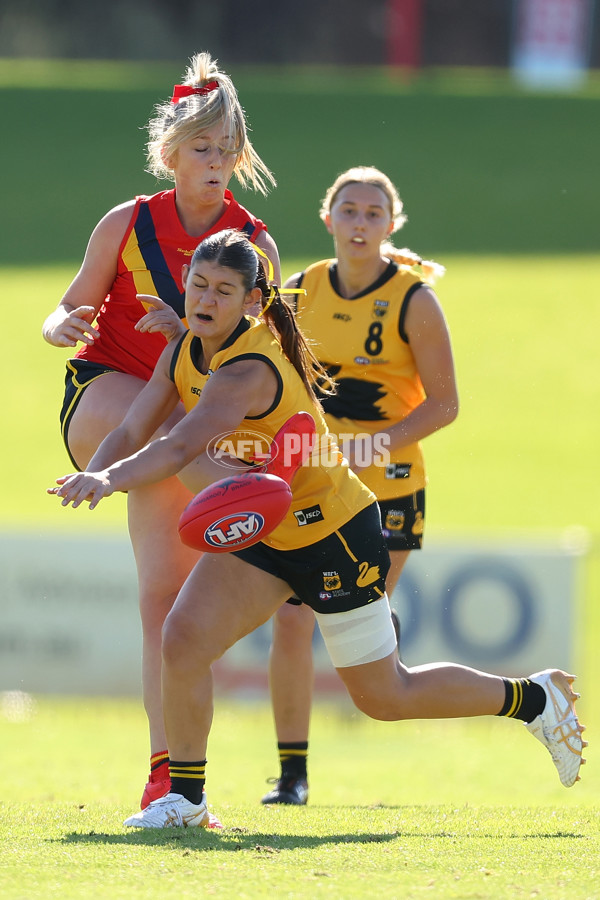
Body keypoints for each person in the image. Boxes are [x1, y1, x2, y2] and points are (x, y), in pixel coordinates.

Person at [50, 229, 585, 831]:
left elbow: (177, 446)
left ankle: (534, 699)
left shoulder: (245, 370)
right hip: (266, 528)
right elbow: (132, 427)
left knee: (385, 696)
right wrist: (94, 473)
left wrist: (111, 479)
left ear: (252, 301)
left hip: (334, 531)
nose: (206, 298)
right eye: (198, 284)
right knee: (183, 640)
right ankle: (187, 800)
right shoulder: (182, 351)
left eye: (224, 290)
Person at [41, 52, 280, 811]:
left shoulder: (255, 246)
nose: (214, 162)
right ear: (169, 153)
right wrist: (60, 324)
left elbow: (268, 359)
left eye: (225, 150)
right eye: (200, 148)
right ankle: (249, 503)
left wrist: (192, 330)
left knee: (164, 604)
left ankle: (169, 774)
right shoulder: (129, 221)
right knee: (167, 422)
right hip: (111, 401)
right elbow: (64, 308)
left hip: (185, 426)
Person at [261, 166, 458, 805]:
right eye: (349, 210)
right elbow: (270, 381)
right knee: (293, 624)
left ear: (391, 226)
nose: (360, 223)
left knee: (357, 650)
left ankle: (389, 632)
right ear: (329, 219)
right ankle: (292, 776)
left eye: (374, 213)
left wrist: (368, 444)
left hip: (390, 489)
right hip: (315, 486)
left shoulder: (413, 300)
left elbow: (445, 406)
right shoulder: (298, 291)